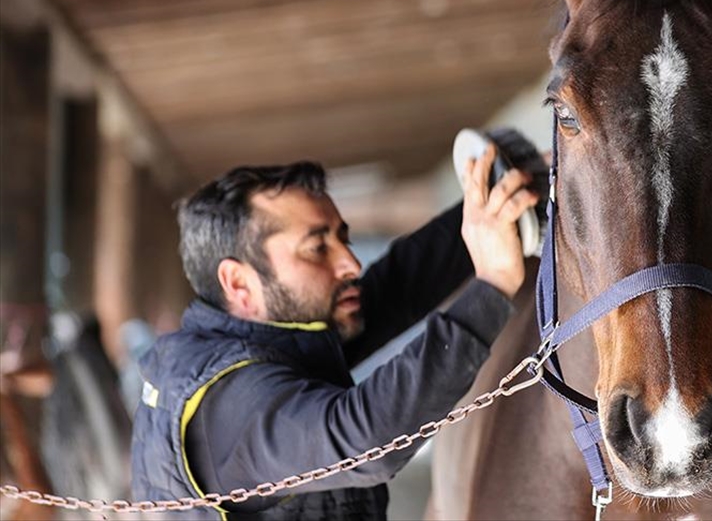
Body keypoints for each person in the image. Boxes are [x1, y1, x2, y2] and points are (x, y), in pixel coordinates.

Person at [130, 144, 537, 520]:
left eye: (343, 238)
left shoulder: (263, 334)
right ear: (238, 283)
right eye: (317, 248)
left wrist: (501, 203)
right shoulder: (229, 406)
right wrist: (494, 283)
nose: (350, 263)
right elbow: (366, 443)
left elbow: (397, 290)